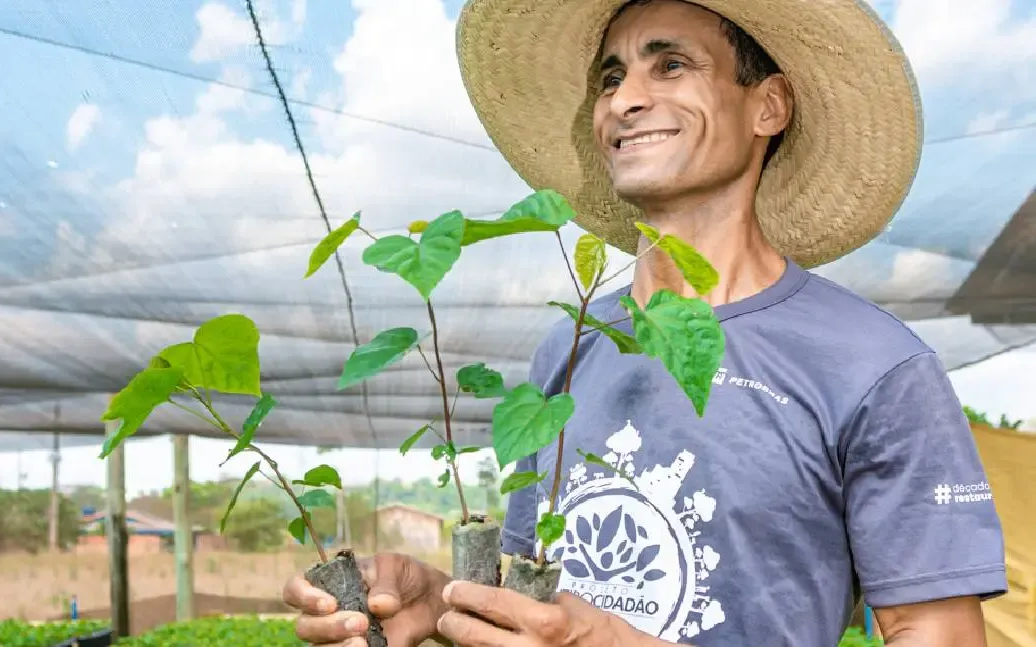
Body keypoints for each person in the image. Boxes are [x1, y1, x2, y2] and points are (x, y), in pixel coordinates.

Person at [283, 0, 1008, 645]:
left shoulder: (873, 365)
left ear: (770, 106)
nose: (626, 99)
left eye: (670, 64)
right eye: (610, 77)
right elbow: (537, 601)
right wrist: (437, 598)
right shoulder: (569, 351)